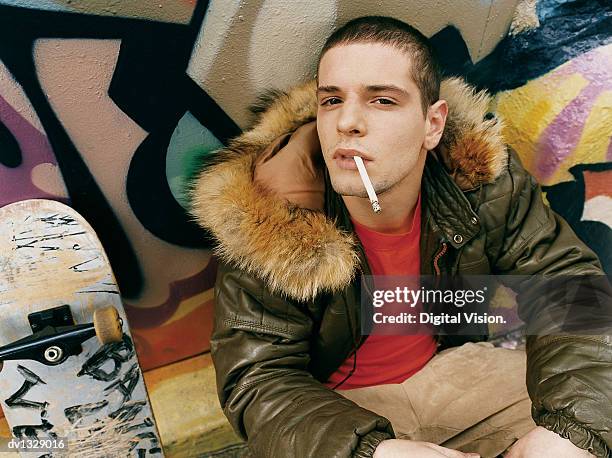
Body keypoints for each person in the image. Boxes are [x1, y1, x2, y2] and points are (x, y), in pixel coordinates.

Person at [190, 16, 611, 458]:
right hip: (336, 410)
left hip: (454, 374)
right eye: (332, 100)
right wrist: (375, 451)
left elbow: (566, 280)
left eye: (383, 101)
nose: (347, 122)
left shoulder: (479, 181)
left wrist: (572, 434)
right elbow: (258, 378)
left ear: (433, 125)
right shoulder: (270, 210)